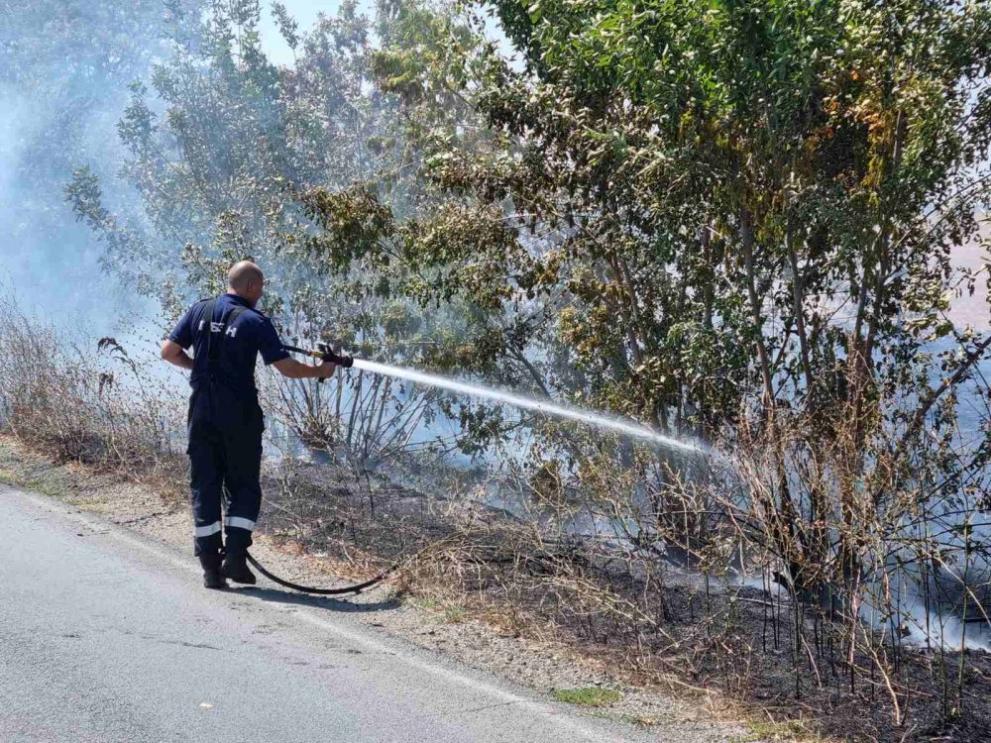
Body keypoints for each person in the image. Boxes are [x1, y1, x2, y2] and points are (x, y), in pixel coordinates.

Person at [160, 261, 335, 589]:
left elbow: (168, 351)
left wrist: (198, 367)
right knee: (244, 486)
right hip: (238, 414)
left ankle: (211, 569)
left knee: (205, 487)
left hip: (200, 412)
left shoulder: (200, 309)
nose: (262, 293)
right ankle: (236, 558)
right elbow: (286, 367)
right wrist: (321, 371)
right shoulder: (255, 321)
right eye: (262, 287)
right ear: (252, 287)